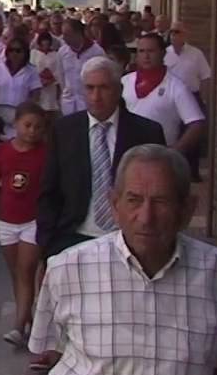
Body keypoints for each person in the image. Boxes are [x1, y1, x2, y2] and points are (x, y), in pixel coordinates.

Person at [29, 145, 217, 375]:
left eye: (161, 201)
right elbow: (52, 356)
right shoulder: (67, 269)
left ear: (187, 210)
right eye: (134, 200)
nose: (146, 217)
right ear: (115, 205)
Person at [35, 56, 165, 262]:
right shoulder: (64, 131)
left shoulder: (147, 132)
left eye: (104, 88)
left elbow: (159, 191)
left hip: (128, 240)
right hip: (73, 238)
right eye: (90, 88)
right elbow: (49, 190)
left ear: (119, 90)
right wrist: (47, 244)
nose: (96, 96)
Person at [0, 102, 48, 349]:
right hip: (7, 220)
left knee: (26, 269)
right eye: (27, 125)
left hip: (34, 221)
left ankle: (18, 327)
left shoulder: (47, 153)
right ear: (16, 124)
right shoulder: (1, 153)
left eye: (38, 127)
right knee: (16, 273)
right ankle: (25, 312)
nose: (32, 131)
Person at [123, 34, 206, 180]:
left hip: (159, 161)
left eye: (151, 51)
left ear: (163, 53)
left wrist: (176, 152)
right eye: (141, 51)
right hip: (126, 157)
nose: (146, 56)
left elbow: (196, 123)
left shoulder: (177, 87)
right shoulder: (124, 82)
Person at [56, 19, 104, 116]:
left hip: (87, 102)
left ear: (78, 33)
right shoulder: (62, 52)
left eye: (67, 35)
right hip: (68, 102)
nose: (64, 38)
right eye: (63, 34)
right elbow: (60, 75)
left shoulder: (97, 52)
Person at [0, 36, 42, 108]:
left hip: (20, 114)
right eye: (11, 50)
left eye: (18, 51)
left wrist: (29, 108)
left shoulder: (31, 71)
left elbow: (36, 93)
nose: (14, 53)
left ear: (25, 53)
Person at [31, 31, 63, 120]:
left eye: (47, 41)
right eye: (43, 41)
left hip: (51, 87)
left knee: (51, 112)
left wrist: (52, 80)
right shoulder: (34, 53)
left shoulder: (56, 54)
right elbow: (31, 69)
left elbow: (58, 70)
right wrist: (39, 80)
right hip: (38, 87)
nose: (45, 43)